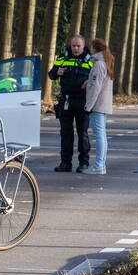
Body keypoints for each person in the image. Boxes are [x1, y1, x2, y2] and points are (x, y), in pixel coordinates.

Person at [48, 34, 93, 172]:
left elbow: (98, 78)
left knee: (82, 133)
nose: (76, 48)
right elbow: (51, 75)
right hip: (66, 100)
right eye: (73, 45)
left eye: (78, 46)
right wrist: (58, 71)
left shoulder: (90, 59)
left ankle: (83, 163)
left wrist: (89, 82)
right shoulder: (62, 57)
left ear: (83, 46)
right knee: (65, 133)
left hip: (82, 100)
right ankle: (65, 163)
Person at [82, 38, 114, 175]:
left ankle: (98, 165)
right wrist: (88, 81)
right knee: (102, 135)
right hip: (104, 104)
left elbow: (96, 88)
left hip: (98, 105)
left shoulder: (98, 64)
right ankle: (101, 164)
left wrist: (88, 106)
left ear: (95, 48)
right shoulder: (106, 63)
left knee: (99, 135)